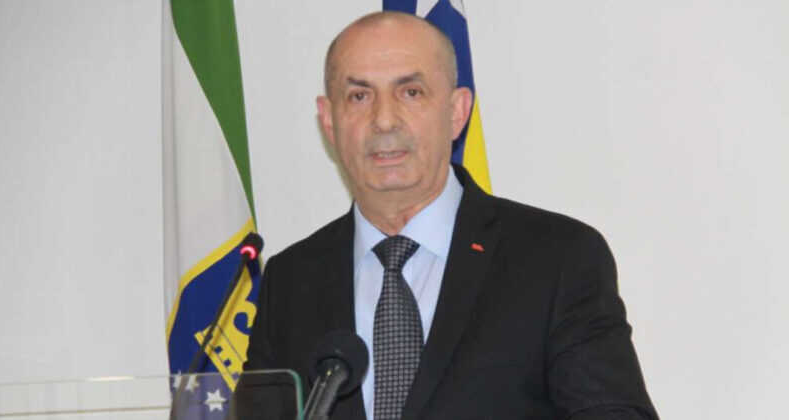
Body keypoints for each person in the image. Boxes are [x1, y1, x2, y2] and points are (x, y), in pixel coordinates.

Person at [239, 11, 658, 420]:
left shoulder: (557, 259)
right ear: (329, 121)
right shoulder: (291, 281)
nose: (383, 120)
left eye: (411, 92)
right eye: (359, 96)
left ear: (457, 112)